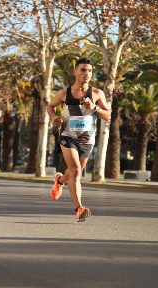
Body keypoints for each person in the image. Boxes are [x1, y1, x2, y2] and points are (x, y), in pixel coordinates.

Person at [47, 58, 111, 222]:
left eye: (89, 70)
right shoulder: (64, 93)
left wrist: (95, 108)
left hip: (87, 140)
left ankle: (59, 180)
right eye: (83, 70)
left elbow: (108, 115)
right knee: (75, 170)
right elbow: (50, 106)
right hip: (68, 136)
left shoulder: (97, 93)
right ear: (75, 72)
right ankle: (79, 208)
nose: (86, 73)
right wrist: (54, 117)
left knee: (75, 172)